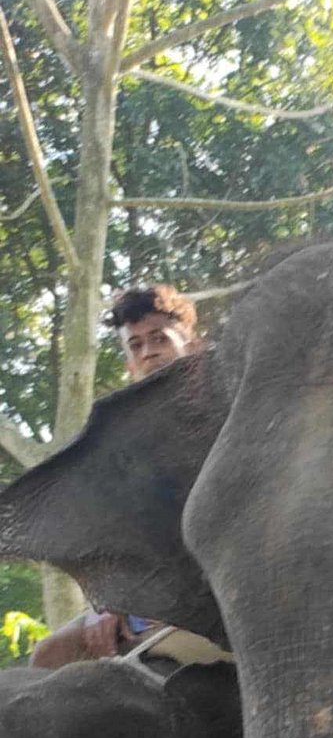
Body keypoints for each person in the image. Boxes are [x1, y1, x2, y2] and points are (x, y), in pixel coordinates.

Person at [29, 285, 203, 670]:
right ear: (129, 363)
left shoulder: (221, 416)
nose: (149, 352)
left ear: (192, 344)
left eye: (159, 338)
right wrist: (107, 606)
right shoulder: (121, 439)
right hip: (136, 604)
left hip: (209, 602)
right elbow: (110, 541)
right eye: (136, 345)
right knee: (49, 656)